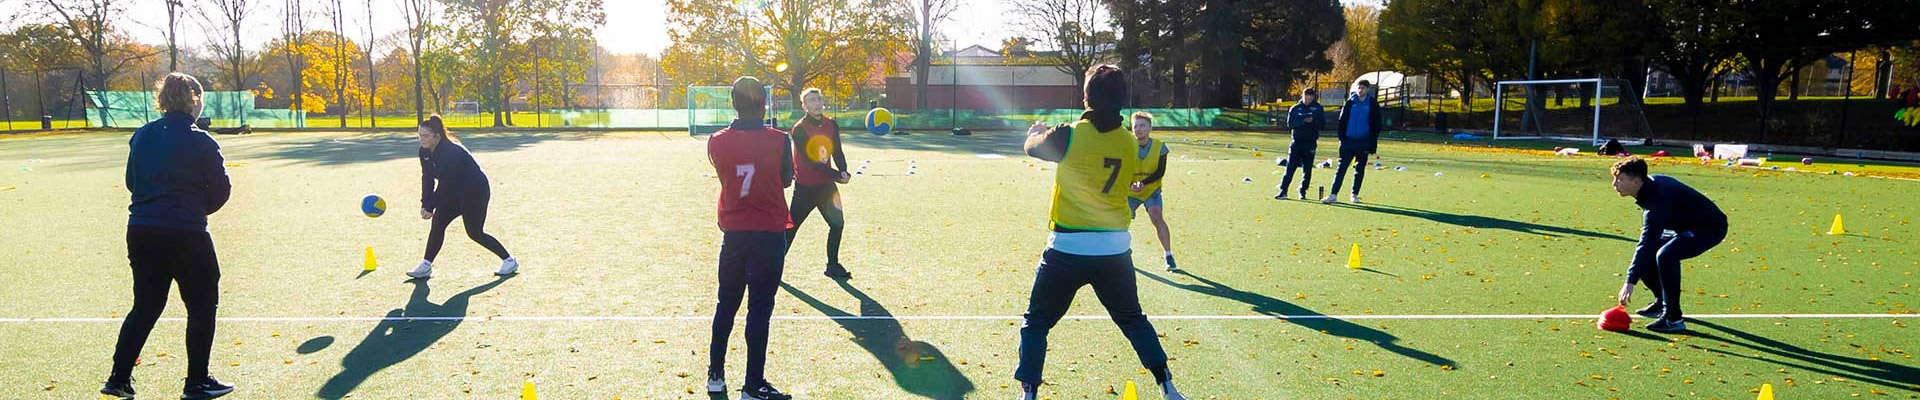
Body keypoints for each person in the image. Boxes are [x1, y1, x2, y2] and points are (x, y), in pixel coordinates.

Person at [1016, 65, 1189, 400]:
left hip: (1067, 248)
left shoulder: (1070, 134)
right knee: (1134, 321)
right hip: (1113, 251)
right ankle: (1167, 385)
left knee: (1036, 323)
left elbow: (1033, 148)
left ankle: (1029, 393)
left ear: (1086, 97)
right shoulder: (1129, 142)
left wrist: (1034, 132)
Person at [104, 72, 236, 400]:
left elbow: (132, 182)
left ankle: (118, 379)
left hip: (142, 230)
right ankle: (197, 382)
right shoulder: (201, 140)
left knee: (146, 305)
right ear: (194, 100)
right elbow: (221, 191)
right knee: (202, 305)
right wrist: (194, 209)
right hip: (187, 234)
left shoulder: (143, 135)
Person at [705, 76, 796, 400]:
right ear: (764, 104)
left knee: (726, 303)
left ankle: (715, 374)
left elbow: (724, 173)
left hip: (734, 233)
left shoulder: (716, 141)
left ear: (733, 102)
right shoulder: (780, 139)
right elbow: (786, 180)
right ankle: (753, 383)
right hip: (769, 232)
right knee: (759, 308)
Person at [1609, 157, 1727, 333]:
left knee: (1665, 255)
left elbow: (1647, 242)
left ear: (1635, 181)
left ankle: (1673, 318)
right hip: (1685, 225)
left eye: (1619, 179)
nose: (1614, 184)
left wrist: (1630, 282)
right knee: (1650, 255)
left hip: (1709, 228)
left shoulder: (1656, 202)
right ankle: (1661, 302)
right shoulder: (1649, 187)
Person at [406, 115, 520, 279]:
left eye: (425, 136)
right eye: (419, 135)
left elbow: (445, 183)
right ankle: (426, 265)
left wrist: (431, 206)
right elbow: (427, 178)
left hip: (474, 191)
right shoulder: (424, 151)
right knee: (438, 224)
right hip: (453, 191)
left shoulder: (450, 152)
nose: (421, 139)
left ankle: (509, 261)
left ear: (436, 136)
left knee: (475, 233)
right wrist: (425, 204)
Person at [786, 88, 853, 279]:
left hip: (826, 188)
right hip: (805, 189)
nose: (817, 103)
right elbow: (811, 161)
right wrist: (836, 175)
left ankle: (832, 265)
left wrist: (843, 170)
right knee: (791, 228)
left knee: (837, 224)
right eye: (811, 100)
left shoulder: (831, 124)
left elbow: (837, 151)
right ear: (804, 106)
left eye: (818, 99)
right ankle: (774, 265)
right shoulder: (799, 129)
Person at [1126, 111, 1178, 272]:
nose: (1138, 129)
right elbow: (1121, 169)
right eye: (1135, 126)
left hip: (1151, 189)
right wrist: (1130, 184)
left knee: (1156, 216)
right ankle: (1123, 253)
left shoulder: (1160, 147)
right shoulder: (1126, 145)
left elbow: (1160, 171)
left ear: (1150, 128)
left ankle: (1168, 255)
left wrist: (1143, 183)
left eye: (1142, 126)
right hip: (1129, 191)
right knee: (1121, 222)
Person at [1326, 80, 1382, 204]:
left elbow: (1377, 125)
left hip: (1363, 142)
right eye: (1359, 88)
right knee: (1341, 169)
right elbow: (1341, 121)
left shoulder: (1372, 104)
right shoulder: (1350, 102)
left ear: (1367, 89)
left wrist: (1372, 143)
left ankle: (1354, 194)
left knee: (1359, 169)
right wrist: (1342, 138)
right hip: (1348, 142)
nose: (1360, 90)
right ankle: (1333, 194)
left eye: (1363, 88)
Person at [1277, 88, 1324, 200]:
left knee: (1307, 170)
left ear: (1313, 97)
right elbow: (1290, 124)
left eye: (1310, 98)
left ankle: (1303, 191)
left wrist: (1313, 121)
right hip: (1296, 143)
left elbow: (1322, 124)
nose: (1307, 101)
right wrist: (1303, 121)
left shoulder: (1318, 108)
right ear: (1302, 96)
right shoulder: (1295, 108)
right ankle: (1283, 191)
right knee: (1290, 168)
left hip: (1310, 143)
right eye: (1306, 98)